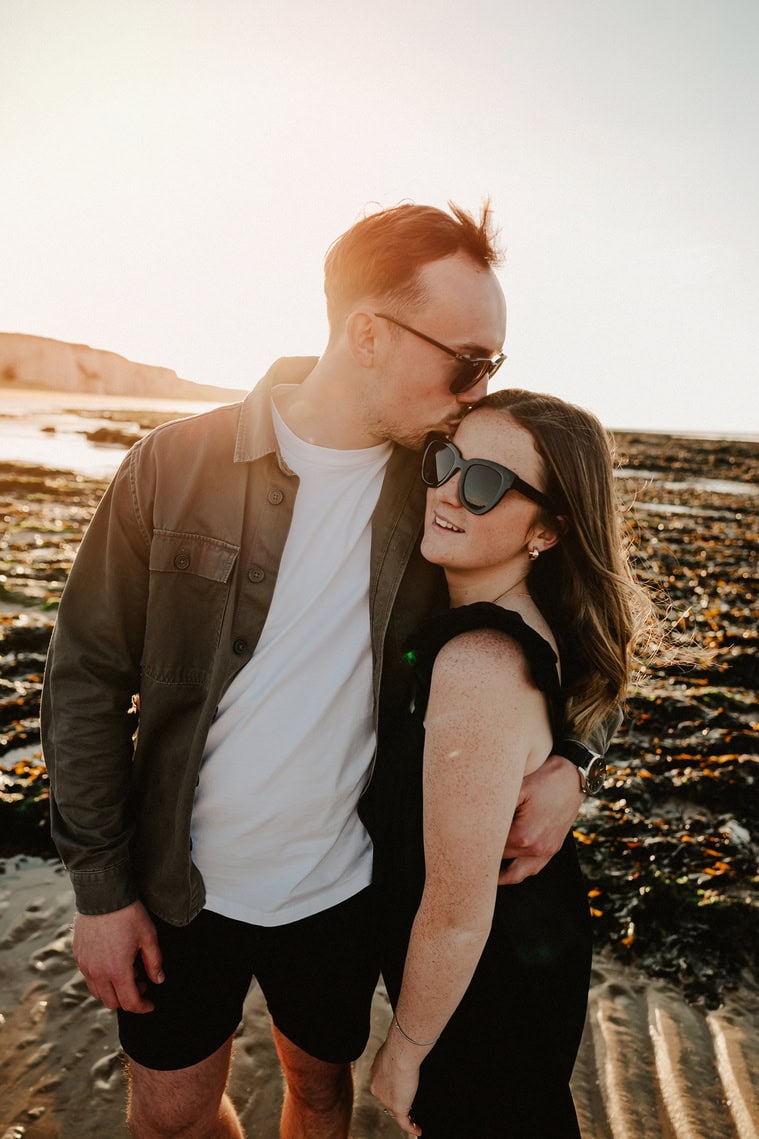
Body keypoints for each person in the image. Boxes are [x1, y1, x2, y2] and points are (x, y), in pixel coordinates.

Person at [41, 202, 614, 1139]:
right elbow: (84, 678)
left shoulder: (441, 490)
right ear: (367, 334)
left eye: (493, 368)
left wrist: (574, 762)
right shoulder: (169, 466)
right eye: (469, 361)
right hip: (177, 887)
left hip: (343, 889)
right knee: (171, 1116)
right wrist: (101, 891)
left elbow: (576, 630)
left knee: (317, 1090)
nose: (479, 391)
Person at [368, 389, 655, 1137]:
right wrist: (573, 760)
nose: (448, 490)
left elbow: (456, 912)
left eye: (487, 482)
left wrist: (403, 1048)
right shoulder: (525, 616)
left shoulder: (478, 662)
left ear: (546, 531)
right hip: (526, 958)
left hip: (487, 989)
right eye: (446, 460)